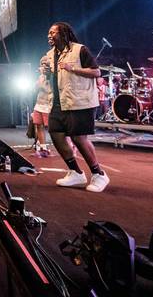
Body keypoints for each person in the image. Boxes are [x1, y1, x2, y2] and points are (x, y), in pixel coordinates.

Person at [42, 22, 110, 192]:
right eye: (49, 33)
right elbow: (55, 78)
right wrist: (47, 73)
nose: (49, 35)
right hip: (58, 102)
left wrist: (72, 68)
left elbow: (96, 72)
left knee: (78, 138)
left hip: (79, 102)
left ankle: (99, 174)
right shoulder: (50, 55)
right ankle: (76, 172)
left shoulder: (79, 50)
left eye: (53, 32)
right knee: (56, 135)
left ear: (64, 33)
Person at [31, 57, 53, 157]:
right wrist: (40, 77)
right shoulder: (41, 77)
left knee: (51, 127)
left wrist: (42, 76)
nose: (43, 66)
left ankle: (69, 144)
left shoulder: (52, 76)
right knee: (38, 125)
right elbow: (36, 88)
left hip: (48, 105)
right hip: (39, 104)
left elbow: (47, 89)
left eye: (46, 64)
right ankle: (43, 148)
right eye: (42, 64)